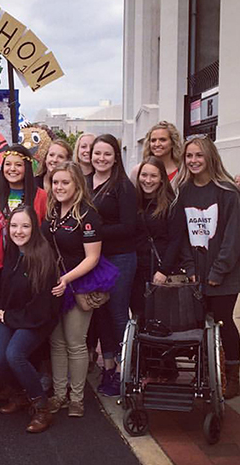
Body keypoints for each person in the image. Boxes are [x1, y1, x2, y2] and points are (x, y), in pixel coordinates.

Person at [173, 137, 240, 399]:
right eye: (189, 156)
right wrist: (190, 266)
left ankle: (232, 376)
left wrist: (218, 272)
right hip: (195, 274)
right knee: (200, 324)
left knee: (224, 323)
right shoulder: (182, 191)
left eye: (199, 156)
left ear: (210, 157)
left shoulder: (228, 191)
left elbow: (235, 238)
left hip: (223, 276)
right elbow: (180, 235)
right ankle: (207, 372)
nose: (193, 161)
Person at [42, 162, 115, 417]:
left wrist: (66, 279)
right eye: (55, 182)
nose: (59, 187)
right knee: (56, 342)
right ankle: (59, 395)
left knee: (75, 342)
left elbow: (92, 258)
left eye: (65, 182)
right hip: (55, 284)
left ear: (77, 185)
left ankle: (77, 398)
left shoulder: (87, 215)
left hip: (79, 283)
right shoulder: (52, 211)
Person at [0, 205, 61, 432]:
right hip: (11, 315)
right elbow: (4, 288)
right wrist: (0, 309)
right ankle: (19, 394)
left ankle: (41, 406)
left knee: (15, 354)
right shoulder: (12, 251)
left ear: (34, 228)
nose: (18, 231)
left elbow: (41, 308)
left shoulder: (42, 256)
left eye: (25, 226)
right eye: (13, 225)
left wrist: (8, 316)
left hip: (36, 318)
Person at [87, 134, 137, 397]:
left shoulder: (123, 187)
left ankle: (123, 368)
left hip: (120, 258)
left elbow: (129, 227)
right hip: (93, 260)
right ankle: (107, 365)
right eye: (98, 153)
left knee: (118, 312)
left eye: (107, 154)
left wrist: (96, 231)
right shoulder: (85, 183)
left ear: (116, 157)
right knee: (101, 313)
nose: (101, 158)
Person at [130, 157, 182, 319]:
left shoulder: (171, 204)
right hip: (137, 269)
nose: (148, 180)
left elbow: (176, 240)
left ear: (161, 179)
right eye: (144, 175)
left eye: (153, 176)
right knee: (139, 315)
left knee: (160, 316)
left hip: (159, 270)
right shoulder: (133, 200)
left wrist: (163, 271)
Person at [0, 145, 48, 220]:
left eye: (18, 165)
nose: (12, 169)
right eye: (8, 164)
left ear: (27, 167)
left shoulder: (41, 196)